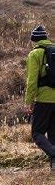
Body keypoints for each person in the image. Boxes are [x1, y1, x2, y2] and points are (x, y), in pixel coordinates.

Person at [24, 25, 55, 170]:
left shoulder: (35, 54)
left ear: (34, 40)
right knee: (53, 134)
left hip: (43, 99)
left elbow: (32, 81)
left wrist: (28, 102)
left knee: (37, 133)